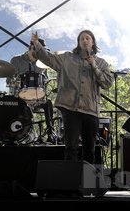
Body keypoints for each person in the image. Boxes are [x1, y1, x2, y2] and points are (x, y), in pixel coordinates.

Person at [30, 30, 112, 163]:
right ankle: (71, 182)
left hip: (90, 110)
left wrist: (94, 66)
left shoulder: (101, 63)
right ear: (79, 43)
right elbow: (49, 59)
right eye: (82, 39)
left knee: (90, 150)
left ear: (93, 42)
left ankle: (88, 181)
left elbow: (107, 83)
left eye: (87, 38)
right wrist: (37, 44)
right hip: (70, 108)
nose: (85, 40)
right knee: (71, 148)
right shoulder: (67, 58)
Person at [9, 38, 56, 143]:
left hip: (37, 98)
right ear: (30, 48)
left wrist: (41, 93)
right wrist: (16, 82)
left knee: (48, 104)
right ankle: (18, 135)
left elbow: (45, 82)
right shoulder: (16, 60)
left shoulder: (43, 64)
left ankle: (50, 133)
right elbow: (9, 81)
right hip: (19, 99)